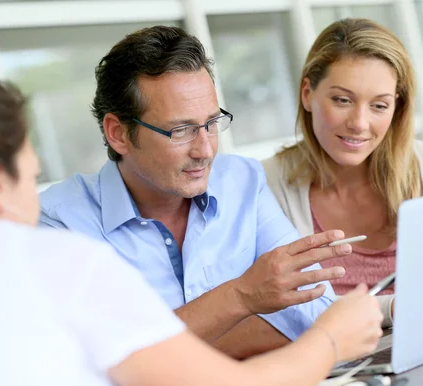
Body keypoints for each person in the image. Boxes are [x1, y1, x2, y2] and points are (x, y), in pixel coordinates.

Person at [0, 65, 383, 386]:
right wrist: (327, 339)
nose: (204, 148)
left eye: (210, 124)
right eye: (30, 174)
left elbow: (311, 301)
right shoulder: (52, 256)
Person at [38, 25, 355, 358]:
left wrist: (166, 347)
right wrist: (242, 297)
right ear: (118, 133)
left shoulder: (243, 181)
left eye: (211, 123)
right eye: (181, 130)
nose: (205, 150)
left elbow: (318, 312)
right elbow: (101, 366)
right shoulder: (61, 226)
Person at [262, 18, 423, 327]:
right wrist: (394, 308)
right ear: (307, 93)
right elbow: (278, 312)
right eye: (342, 100)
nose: (359, 123)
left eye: (379, 106)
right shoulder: (266, 186)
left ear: (397, 108)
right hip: (333, 371)